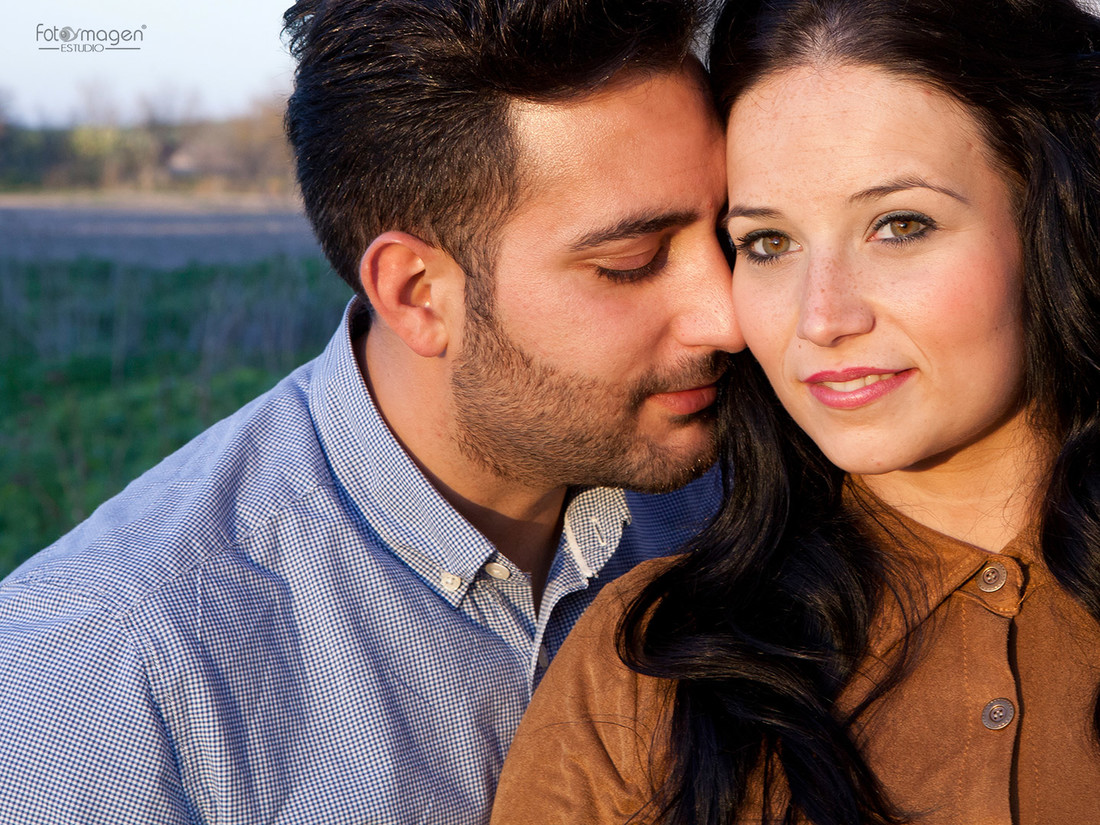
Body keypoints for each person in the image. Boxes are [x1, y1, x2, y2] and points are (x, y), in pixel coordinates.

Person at [0, 0, 740, 822]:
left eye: (739, 234)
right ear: (418, 295)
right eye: (632, 262)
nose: (729, 316)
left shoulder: (748, 483)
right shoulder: (109, 687)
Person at [491, 0, 1100, 822]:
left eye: (899, 224)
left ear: (1053, 217)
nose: (823, 317)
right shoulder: (647, 665)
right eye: (768, 243)